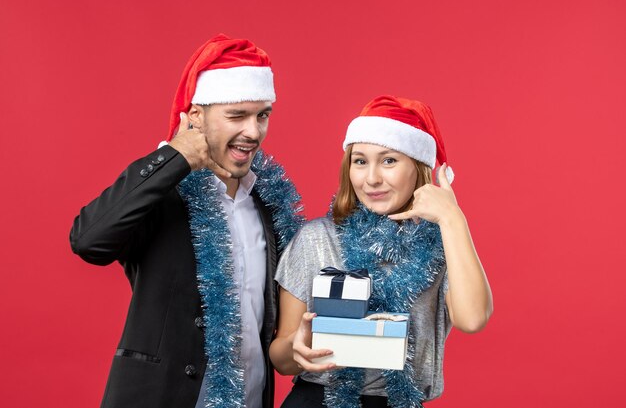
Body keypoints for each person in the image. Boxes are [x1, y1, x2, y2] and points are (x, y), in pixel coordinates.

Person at [69, 34, 303, 408]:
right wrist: (173, 159)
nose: (254, 132)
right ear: (196, 115)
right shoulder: (162, 196)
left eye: (262, 115)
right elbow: (88, 240)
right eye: (237, 116)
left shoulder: (267, 204)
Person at [269, 95, 493, 408]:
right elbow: (281, 358)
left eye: (389, 160)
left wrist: (453, 218)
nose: (372, 178)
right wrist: (297, 348)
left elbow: (472, 319)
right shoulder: (316, 239)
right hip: (319, 400)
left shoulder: (444, 241)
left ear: (417, 167)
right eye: (360, 161)